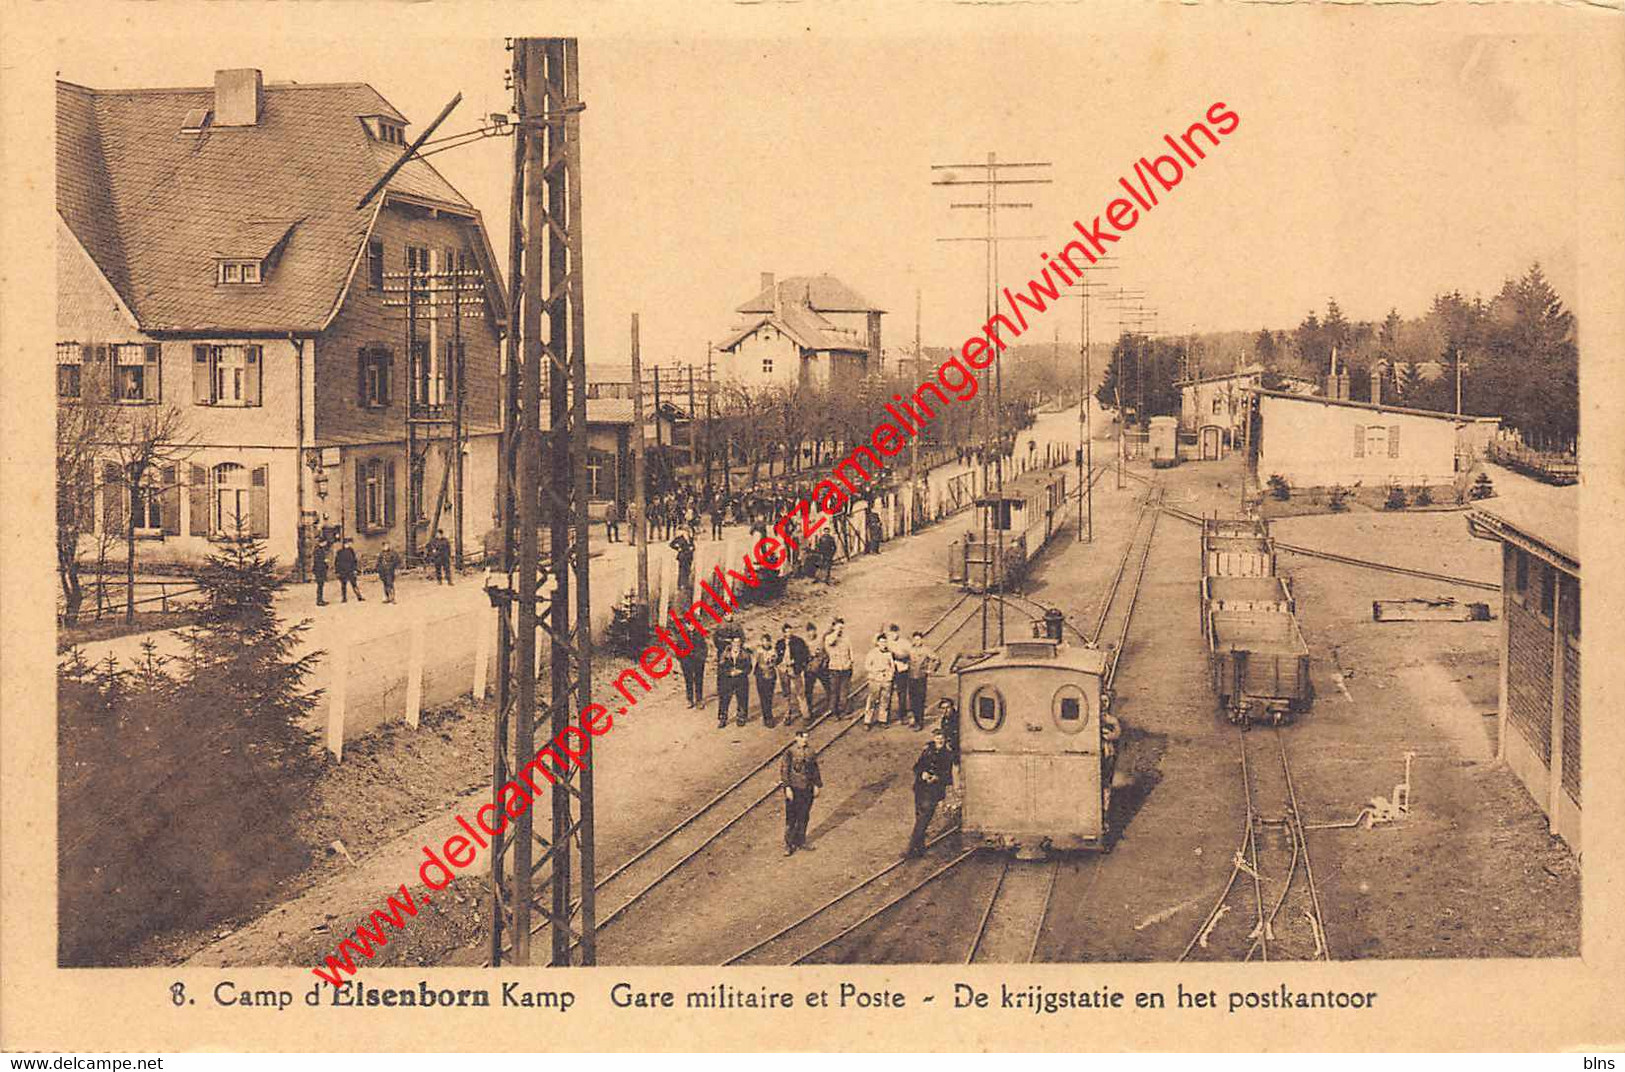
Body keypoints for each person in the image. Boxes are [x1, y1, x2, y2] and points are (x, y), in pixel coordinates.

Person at [906, 727, 955, 858]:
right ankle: (920, 848)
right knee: (919, 818)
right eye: (937, 738)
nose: (939, 741)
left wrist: (937, 778)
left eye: (942, 739)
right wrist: (922, 773)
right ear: (934, 739)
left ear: (945, 740)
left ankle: (911, 849)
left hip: (934, 791)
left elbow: (949, 778)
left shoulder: (948, 755)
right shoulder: (927, 751)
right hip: (920, 788)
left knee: (923, 819)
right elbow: (916, 766)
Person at [780, 729, 822, 856]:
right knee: (791, 817)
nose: (805, 740)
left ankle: (801, 841)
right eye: (803, 738)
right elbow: (784, 770)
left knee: (804, 816)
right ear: (796, 738)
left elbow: (815, 769)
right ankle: (788, 844)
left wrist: (817, 785)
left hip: (807, 788)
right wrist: (787, 788)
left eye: (806, 738)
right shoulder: (790, 752)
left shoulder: (810, 752)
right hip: (794, 788)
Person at [776, 623, 809, 725]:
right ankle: (787, 715)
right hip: (783, 670)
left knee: (800, 692)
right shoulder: (780, 643)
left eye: (790, 631)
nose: (789, 633)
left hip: (795, 669)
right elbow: (776, 657)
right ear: (783, 633)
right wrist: (779, 664)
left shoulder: (799, 642)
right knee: (786, 693)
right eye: (787, 631)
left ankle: (805, 714)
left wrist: (795, 661)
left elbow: (804, 655)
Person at [716, 636, 751, 729]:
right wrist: (729, 672)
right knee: (724, 699)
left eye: (738, 642)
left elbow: (749, 667)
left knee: (742, 698)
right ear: (731, 644)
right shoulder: (725, 654)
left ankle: (741, 717)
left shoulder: (745, 654)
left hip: (741, 679)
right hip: (728, 679)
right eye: (734, 643)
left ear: (741, 643)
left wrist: (741, 671)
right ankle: (723, 718)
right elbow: (721, 667)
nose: (736, 645)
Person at [906, 630, 939, 729]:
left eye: (919, 639)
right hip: (911, 678)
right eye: (915, 639)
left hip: (921, 678)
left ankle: (920, 722)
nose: (917, 641)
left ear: (922, 640)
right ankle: (915, 720)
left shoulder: (926, 650)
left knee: (920, 700)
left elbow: (937, 659)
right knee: (912, 700)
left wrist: (931, 670)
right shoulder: (910, 650)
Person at [863, 634, 893, 728]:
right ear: (877, 643)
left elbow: (892, 666)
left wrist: (890, 676)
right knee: (872, 701)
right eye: (881, 642)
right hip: (875, 680)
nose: (883, 644)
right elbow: (867, 666)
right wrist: (876, 670)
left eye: (885, 642)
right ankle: (867, 721)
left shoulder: (888, 653)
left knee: (885, 701)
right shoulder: (872, 653)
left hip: (886, 680)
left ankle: (882, 720)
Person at [824, 619, 853, 717]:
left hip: (845, 668)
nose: (841, 629)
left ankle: (843, 710)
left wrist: (850, 662)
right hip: (834, 668)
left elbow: (850, 651)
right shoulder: (829, 637)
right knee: (834, 691)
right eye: (839, 627)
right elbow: (831, 642)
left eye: (842, 627)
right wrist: (836, 631)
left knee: (844, 691)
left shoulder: (846, 638)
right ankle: (833, 711)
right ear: (833, 627)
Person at [752, 632, 779, 728]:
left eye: (767, 641)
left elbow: (775, 662)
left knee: (769, 696)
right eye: (764, 641)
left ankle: (768, 716)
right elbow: (754, 662)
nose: (766, 643)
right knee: (763, 696)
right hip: (760, 675)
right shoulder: (758, 651)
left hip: (771, 674)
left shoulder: (773, 651)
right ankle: (767, 717)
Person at [886, 624, 912, 721]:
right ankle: (886, 717)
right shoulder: (887, 642)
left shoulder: (904, 643)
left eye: (895, 633)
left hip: (902, 671)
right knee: (888, 693)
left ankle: (902, 715)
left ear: (898, 632)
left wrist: (897, 655)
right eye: (891, 633)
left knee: (902, 693)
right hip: (890, 671)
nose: (893, 635)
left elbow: (910, 654)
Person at [678, 627, 707, 708]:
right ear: (686, 625)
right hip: (687, 661)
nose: (691, 626)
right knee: (688, 680)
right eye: (689, 624)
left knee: (699, 680)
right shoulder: (681, 635)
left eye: (692, 624)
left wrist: (702, 657)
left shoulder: (699, 635)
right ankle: (689, 699)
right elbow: (677, 648)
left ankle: (699, 700)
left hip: (698, 661)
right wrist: (681, 659)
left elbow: (704, 647)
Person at [804, 622, 830, 712]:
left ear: (815, 631)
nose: (811, 634)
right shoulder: (805, 643)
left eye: (812, 631)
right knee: (808, 690)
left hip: (821, 668)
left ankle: (832, 705)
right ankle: (809, 708)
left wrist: (824, 663)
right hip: (810, 669)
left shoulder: (820, 640)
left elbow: (826, 653)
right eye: (809, 632)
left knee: (827, 686)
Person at [334, 538, 364, 603]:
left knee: (354, 584)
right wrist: (337, 571)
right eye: (347, 543)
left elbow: (354, 561)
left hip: (351, 570)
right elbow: (337, 562)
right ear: (344, 544)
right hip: (343, 571)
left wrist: (355, 569)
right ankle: (344, 598)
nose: (349, 545)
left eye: (349, 543)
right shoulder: (339, 552)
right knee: (343, 585)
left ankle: (359, 596)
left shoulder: (351, 550)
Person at [670, 530, 695, 600]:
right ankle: (680, 585)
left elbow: (694, 546)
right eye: (685, 531)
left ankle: (686, 584)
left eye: (687, 531)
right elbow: (671, 544)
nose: (686, 533)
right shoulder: (679, 538)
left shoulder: (690, 538)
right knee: (681, 571)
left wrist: (692, 548)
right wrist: (678, 548)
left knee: (688, 571)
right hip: (683, 557)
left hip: (689, 557)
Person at [311, 538, 330, 606]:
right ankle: (319, 601)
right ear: (322, 542)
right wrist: (324, 561)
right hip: (319, 570)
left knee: (321, 585)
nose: (326, 544)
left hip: (320, 569)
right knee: (320, 585)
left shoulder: (320, 549)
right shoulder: (318, 550)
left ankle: (320, 600)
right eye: (325, 542)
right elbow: (318, 560)